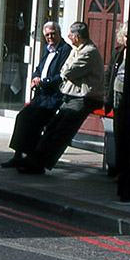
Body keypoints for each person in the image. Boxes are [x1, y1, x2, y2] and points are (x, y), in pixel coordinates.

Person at [17, 21, 105, 174]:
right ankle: (35, 159)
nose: (69, 37)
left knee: (62, 131)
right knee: (52, 126)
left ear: (76, 37)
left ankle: (41, 163)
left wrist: (66, 71)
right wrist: (66, 71)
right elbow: (65, 69)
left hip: (84, 98)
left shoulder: (88, 51)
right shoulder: (78, 49)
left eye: (71, 34)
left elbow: (69, 72)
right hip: (72, 95)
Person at [1, 21, 72, 168]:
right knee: (22, 117)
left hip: (53, 96)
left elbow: (62, 75)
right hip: (41, 94)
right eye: (47, 35)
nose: (50, 37)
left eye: (53, 33)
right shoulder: (47, 48)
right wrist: (35, 78)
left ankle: (31, 157)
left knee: (35, 120)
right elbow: (39, 68)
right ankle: (17, 155)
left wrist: (44, 81)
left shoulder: (66, 49)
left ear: (59, 33)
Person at [104, 25, 127, 116]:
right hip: (116, 93)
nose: (127, 39)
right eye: (126, 36)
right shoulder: (117, 52)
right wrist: (107, 92)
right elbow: (108, 73)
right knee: (118, 121)